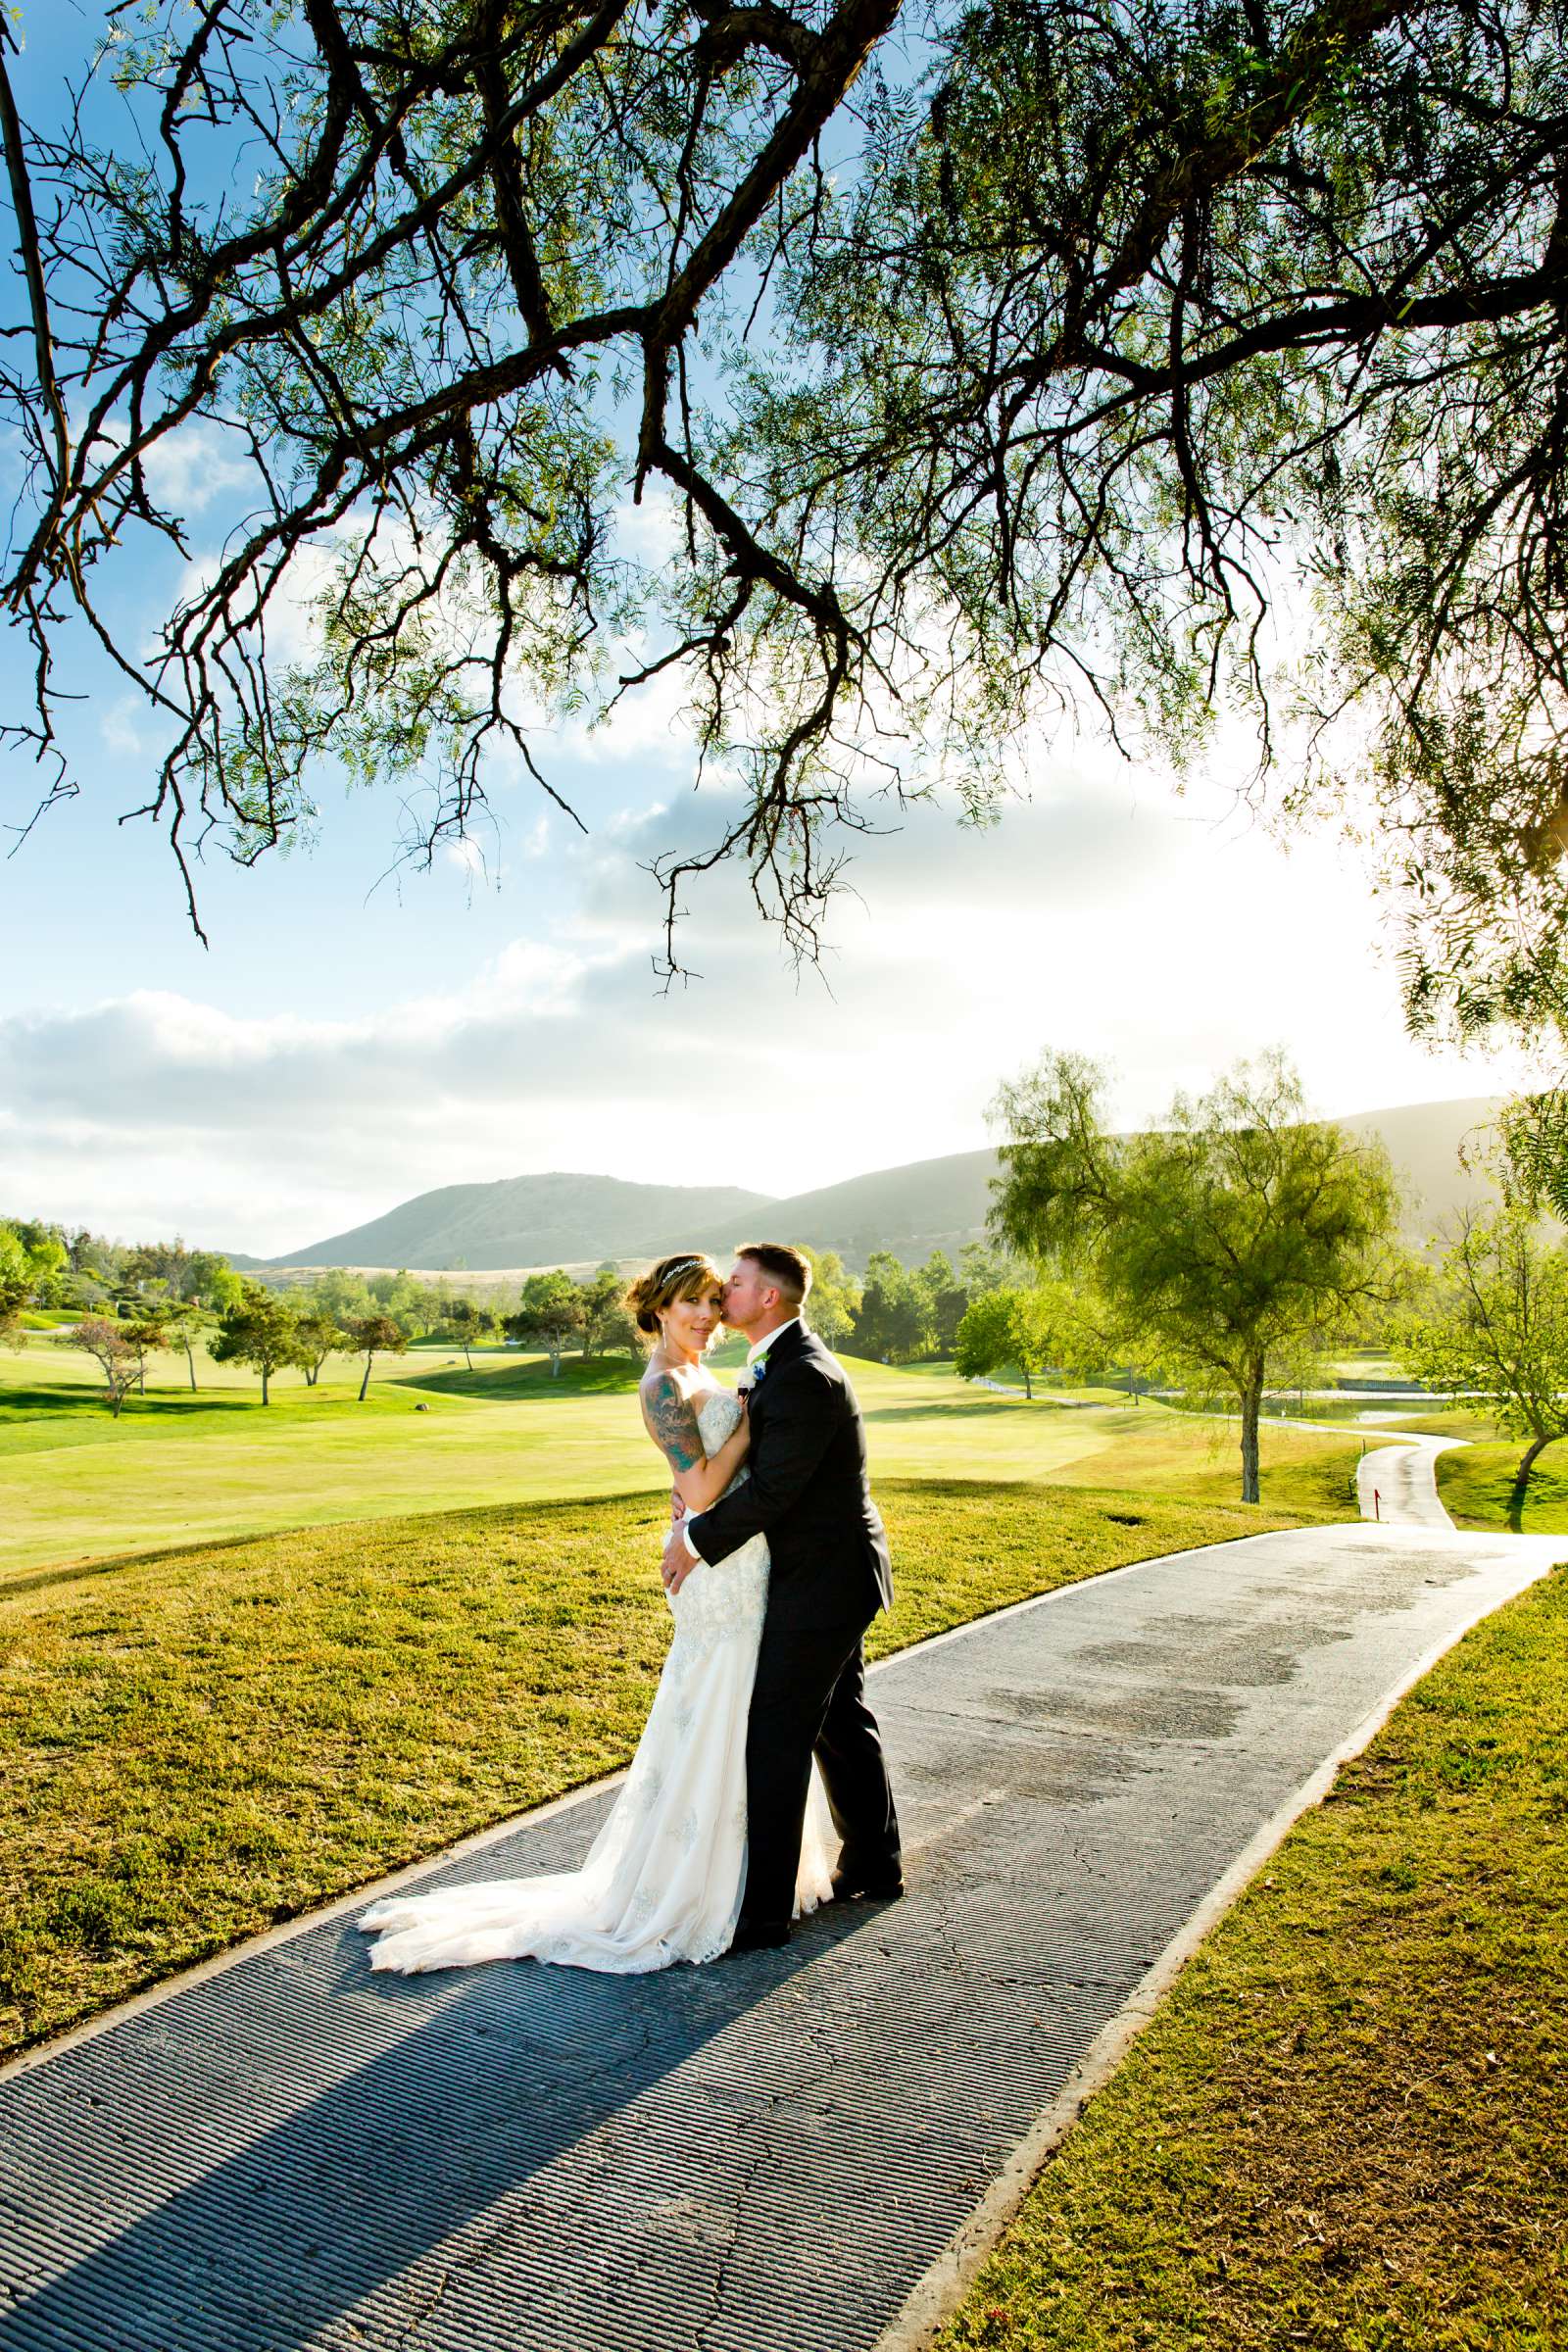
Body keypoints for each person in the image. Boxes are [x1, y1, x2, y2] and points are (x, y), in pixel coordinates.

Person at [358, 1251, 832, 1975]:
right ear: (659, 1312)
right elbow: (701, 1491)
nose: (705, 1316)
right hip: (715, 1567)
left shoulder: (708, 1373)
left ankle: (742, 1871)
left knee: (750, 1715)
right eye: (689, 1306)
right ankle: (688, 1886)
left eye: (712, 1301)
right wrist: (750, 1425)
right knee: (713, 1708)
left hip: (748, 1560)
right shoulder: (662, 1385)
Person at [663, 1244, 903, 1952]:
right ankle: (875, 1861)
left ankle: (761, 1914)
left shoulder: (802, 1377)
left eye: (733, 1285)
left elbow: (773, 1493)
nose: (722, 1294)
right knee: (839, 1718)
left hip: (824, 1582)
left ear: (767, 1297)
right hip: (829, 1572)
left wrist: (696, 1540)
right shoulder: (779, 1361)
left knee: (775, 1731)